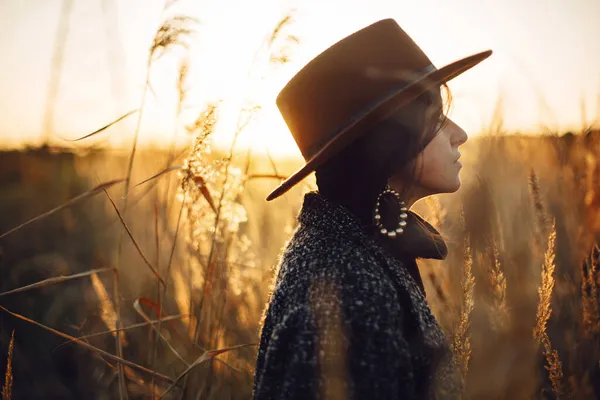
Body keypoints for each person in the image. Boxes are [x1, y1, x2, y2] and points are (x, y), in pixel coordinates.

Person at [252, 18, 492, 399]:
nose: (459, 134)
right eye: (436, 118)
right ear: (387, 141)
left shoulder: (349, 244)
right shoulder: (347, 293)